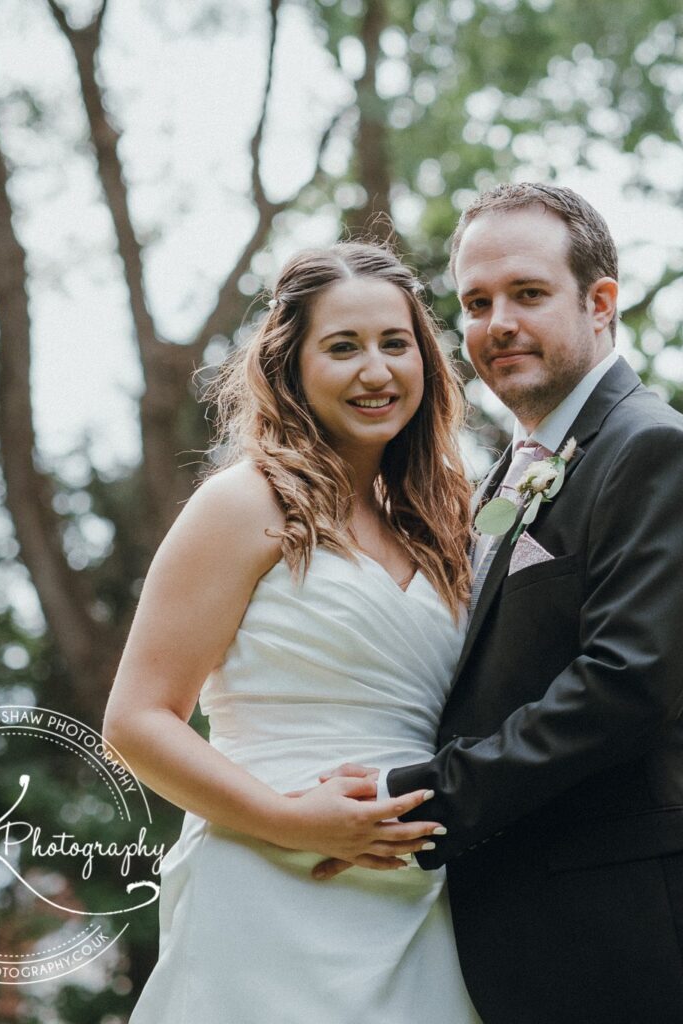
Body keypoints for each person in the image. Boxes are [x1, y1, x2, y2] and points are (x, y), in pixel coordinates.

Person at [317, 183, 683, 1023]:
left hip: (627, 943)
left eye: (527, 294)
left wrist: (420, 801)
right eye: (477, 302)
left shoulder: (652, 449)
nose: (497, 325)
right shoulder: (511, 469)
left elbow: (623, 690)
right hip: (524, 936)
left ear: (601, 303)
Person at [103, 242, 481, 1022]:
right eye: (342, 347)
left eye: (394, 344)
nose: (375, 371)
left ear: (426, 361)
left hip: (421, 902)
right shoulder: (244, 505)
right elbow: (135, 722)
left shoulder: (442, 527)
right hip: (270, 885)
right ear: (291, 365)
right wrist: (293, 820)